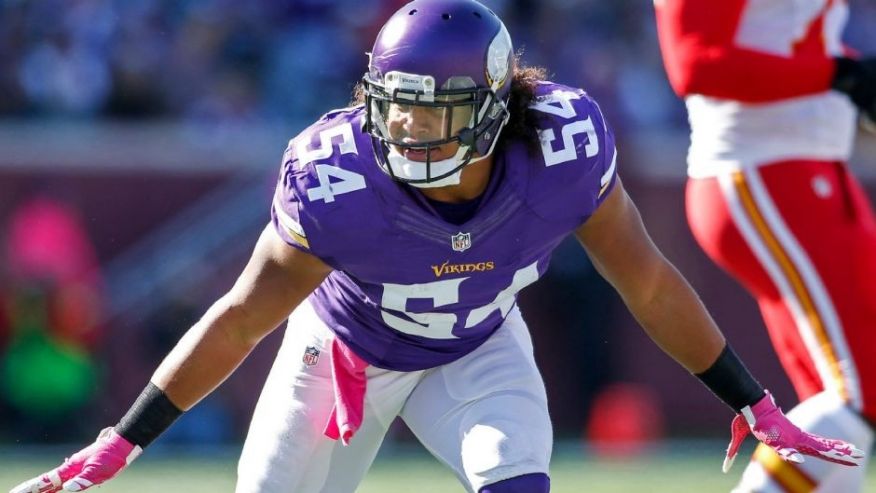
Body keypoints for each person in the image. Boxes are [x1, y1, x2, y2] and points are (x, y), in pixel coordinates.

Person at [12, 1, 864, 492]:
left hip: (474, 347)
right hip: (340, 358)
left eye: (437, 109)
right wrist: (123, 440)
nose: (412, 127)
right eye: (400, 104)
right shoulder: (335, 179)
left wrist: (749, 399)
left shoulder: (560, 152)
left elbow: (645, 280)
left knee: (517, 479)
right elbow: (238, 320)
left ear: (494, 107)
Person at [654, 0, 876, 491]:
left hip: (808, 168)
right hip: (763, 170)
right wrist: (838, 74)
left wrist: (852, 73)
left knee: (838, 407)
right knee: (862, 396)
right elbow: (695, 62)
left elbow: (788, 32)